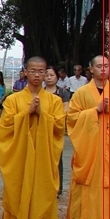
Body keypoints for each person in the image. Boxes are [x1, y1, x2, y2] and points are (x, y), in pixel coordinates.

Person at [0, 57, 66, 219]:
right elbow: (5, 129)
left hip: (43, 160)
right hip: (20, 159)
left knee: (43, 195)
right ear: (25, 72)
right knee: (18, 195)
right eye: (33, 71)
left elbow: (60, 128)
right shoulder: (13, 100)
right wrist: (26, 114)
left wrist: (42, 115)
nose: (37, 75)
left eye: (41, 71)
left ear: (46, 74)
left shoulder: (54, 101)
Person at [66, 55, 110, 219]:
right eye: (99, 66)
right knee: (86, 182)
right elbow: (72, 119)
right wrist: (96, 111)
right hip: (89, 149)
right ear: (91, 69)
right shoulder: (82, 93)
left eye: (107, 66)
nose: (103, 69)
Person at [44, 66, 70, 197]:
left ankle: (58, 187)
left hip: (56, 129)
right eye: (47, 75)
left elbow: (65, 111)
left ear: (57, 77)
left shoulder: (62, 93)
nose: (49, 77)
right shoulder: (40, 92)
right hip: (42, 129)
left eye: (51, 75)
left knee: (57, 158)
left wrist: (51, 119)